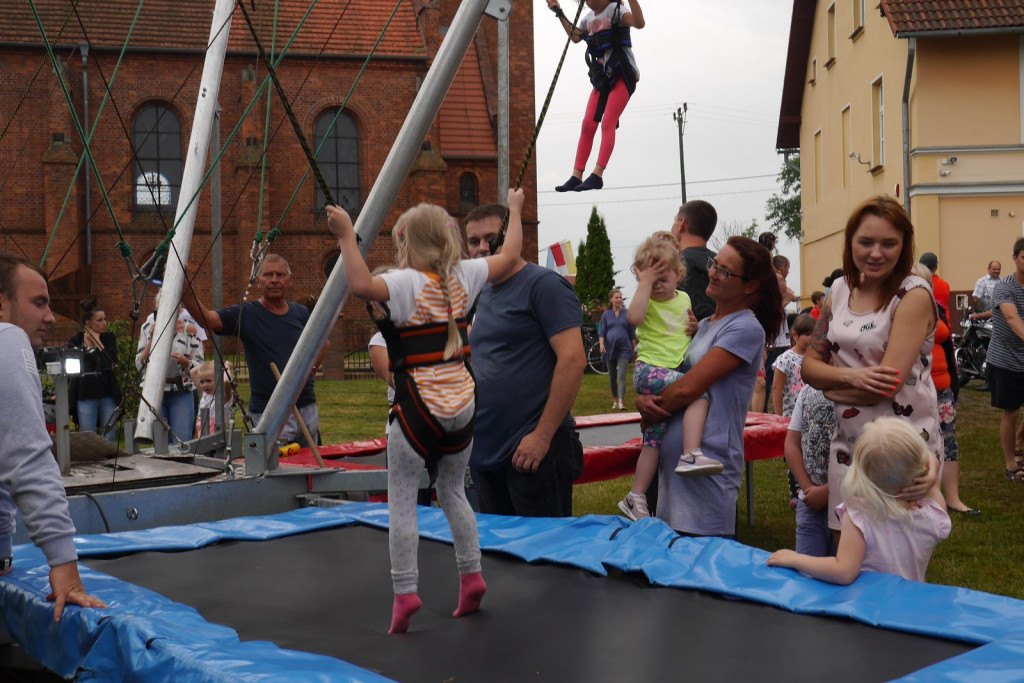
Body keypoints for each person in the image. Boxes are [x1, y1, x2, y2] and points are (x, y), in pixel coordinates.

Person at [327, 189, 524, 633]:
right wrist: (514, 208)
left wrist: (346, 236)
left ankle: (405, 593)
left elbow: (359, 284)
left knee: (402, 501)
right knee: (453, 491)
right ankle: (472, 575)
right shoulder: (467, 275)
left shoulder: (404, 282)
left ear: (407, 245)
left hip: (420, 404)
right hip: (463, 404)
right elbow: (510, 254)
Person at [802, 196, 941, 540]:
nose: (876, 252)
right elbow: (807, 367)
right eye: (866, 242)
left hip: (901, 448)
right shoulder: (838, 290)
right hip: (847, 447)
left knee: (894, 562)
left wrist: (830, 388)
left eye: (888, 243)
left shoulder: (913, 295)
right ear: (850, 242)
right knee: (845, 553)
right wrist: (852, 376)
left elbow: (887, 387)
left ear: (904, 246)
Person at [635, 236, 784, 537]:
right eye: (714, 264)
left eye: (724, 271)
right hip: (675, 465)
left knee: (702, 565)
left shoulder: (744, 328)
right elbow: (668, 369)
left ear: (749, 286)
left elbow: (690, 388)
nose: (713, 272)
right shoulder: (702, 325)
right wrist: (643, 399)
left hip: (708, 466)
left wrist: (653, 408)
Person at [0, 254, 106, 620]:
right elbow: (26, 457)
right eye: (39, 303)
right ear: (1, 304)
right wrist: (64, 565)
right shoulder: (7, 338)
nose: (51, 317)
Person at [467, 206, 586, 518]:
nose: (482, 248)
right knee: (498, 559)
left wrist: (542, 436)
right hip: (486, 454)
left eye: (492, 238)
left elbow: (573, 360)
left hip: (535, 452)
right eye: (473, 241)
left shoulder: (543, 285)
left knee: (543, 560)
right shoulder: (482, 291)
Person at [767, 418, 950, 584]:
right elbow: (931, 469)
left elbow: (844, 571)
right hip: (909, 608)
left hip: (868, 610)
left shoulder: (859, 516)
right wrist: (929, 470)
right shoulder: (932, 515)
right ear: (923, 468)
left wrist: (794, 559)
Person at [182, 255, 325, 447]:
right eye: (268, 275)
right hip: (269, 409)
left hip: (306, 406)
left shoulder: (300, 313)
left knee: (312, 471)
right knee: (275, 471)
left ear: (289, 280)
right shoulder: (246, 313)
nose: (274, 280)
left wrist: (312, 368)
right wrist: (185, 291)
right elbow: (208, 320)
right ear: (258, 281)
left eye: (280, 275)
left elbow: (323, 342)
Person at [618, 233, 709, 521]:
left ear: (679, 274)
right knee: (699, 392)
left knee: (653, 442)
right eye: (650, 278)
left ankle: (635, 496)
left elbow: (682, 329)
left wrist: (693, 327)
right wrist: (643, 285)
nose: (657, 285)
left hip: (673, 368)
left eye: (663, 278)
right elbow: (633, 319)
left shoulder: (684, 297)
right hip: (650, 370)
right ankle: (691, 452)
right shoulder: (645, 299)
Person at [549, 0, 646, 192]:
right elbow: (575, 37)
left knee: (608, 122)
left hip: (622, 74)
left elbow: (639, 22)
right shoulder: (589, 19)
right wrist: (559, 13)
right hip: (603, 77)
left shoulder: (616, 11)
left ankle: (597, 174)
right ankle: (577, 175)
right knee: (588, 124)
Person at [136, 292, 204, 445]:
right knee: (160, 445)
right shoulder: (147, 327)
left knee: (182, 442)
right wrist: (151, 340)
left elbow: (199, 366)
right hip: (154, 392)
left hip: (180, 390)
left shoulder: (189, 330)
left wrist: (185, 362)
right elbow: (139, 364)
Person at [986, 238, 1024, 482]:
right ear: (1015, 258)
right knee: (1011, 411)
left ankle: (1019, 442)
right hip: (1006, 360)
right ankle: (1011, 464)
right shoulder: (1004, 287)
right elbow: (1012, 318)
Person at [783, 386, 836, 557]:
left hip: (849, 503)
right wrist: (807, 488)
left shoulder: (862, 395)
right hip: (810, 503)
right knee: (807, 574)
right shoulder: (808, 391)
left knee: (844, 573)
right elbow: (791, 444)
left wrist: (828, 492)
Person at [67, 300, 121, 443]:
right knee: (87, 436)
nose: (104, 323)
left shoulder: (109, 339)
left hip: (107, 393)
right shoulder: (76, 341)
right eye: (100, 320)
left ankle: (108, 462)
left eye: (105, 319)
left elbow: (111, 361)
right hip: (86, 393)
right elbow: (70, 367)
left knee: (108, 435)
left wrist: (98, 342)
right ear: (88, 324)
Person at [671, 200, 718, 322]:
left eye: (675, 219)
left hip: (688, 338)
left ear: (681, 223)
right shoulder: (720, 264)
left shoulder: (677, 263)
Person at [598, 288, 636, 411]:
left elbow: (632, 332)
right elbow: (602, 331)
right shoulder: (606, 314)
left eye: (620, 297)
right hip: (609, 348)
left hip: (624, 348)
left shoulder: (627, 313)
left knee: (621, 375)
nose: (619, 300)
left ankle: (621, 402)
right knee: (612, 376)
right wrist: (601, 345)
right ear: (611, 300)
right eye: (616, 298)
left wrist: (634, 348)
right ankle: (615, 400)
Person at [771, 313, 814, 418]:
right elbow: (777, 388)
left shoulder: (816, 357)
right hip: (791, 416)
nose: (812, 338)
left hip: (813, 415)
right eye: (808, 334)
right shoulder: (786, 359)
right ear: (795, 335)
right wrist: (778, 416)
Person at [192, 360, 234, 438]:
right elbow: (193, 372)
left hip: (216, 438)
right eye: (202, 382)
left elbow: (226, 382)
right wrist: (212, 363)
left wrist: (226, 366)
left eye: (208, 381)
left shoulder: (223, 397)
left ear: (219, 379)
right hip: (203, 437)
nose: (204, 385)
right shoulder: (205, 394)